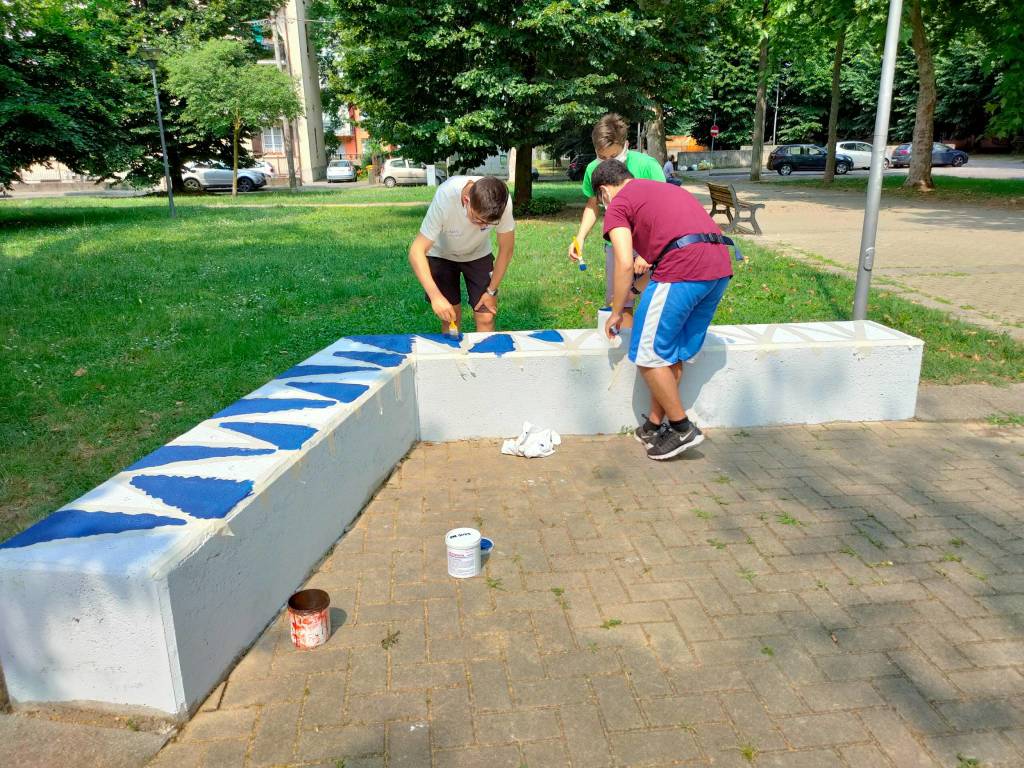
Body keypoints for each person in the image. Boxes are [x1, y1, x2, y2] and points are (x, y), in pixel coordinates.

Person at [593, 159, 738, 461]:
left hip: (684, 270)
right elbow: (670, 249)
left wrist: (618, 310)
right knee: (669, 351)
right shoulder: (660, 191)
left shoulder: (619, 204)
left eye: (601, 201)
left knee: (647, 353)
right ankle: (653, 426)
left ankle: (682, 427)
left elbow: (622, 262)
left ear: (605, 192)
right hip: (719, 267)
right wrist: (635, 290)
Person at [567, 113, 665, 328]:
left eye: (613, 157)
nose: (607, 163)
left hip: (651, 244)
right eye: (603, 158)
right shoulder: (593, 169)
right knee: (621, 301)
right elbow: (593, 205)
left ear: (625, 146)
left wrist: (650, 253)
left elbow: (664, 209)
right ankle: (625, 347)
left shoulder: (647, 165)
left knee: (655, 301)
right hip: (617, 245)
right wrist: (580, 238)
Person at [409, 175, 515, 334]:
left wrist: (491, 291)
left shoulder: (501, 202)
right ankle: (454, 356)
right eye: (479, 220)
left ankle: (484, 358)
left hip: (478, 254)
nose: (483, 226)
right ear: (466, 201)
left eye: (489, 224)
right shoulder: (446, 196)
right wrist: (436, 297)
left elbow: (506, 249)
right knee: (451, 317)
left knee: (486, 316)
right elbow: (416, 251)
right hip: (441, 254)